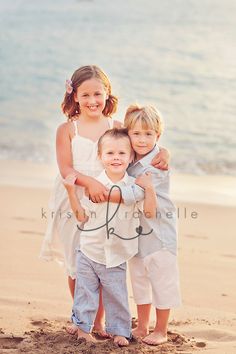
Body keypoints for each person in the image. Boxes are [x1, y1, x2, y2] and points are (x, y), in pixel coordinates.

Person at [39, 65, 169, 335]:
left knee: (103, 257)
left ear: (107, 94)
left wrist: (164, 152)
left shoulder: (117, 126)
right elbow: (66, 170)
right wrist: (91, 183)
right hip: (73, 196)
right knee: (78, 261)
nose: (92, 101)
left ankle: (99, 321)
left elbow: (143, 145)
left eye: (98, 94)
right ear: (74, 96)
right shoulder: (67, 130)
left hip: (110, 201)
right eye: (85, 95)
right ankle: (81, 318)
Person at [64, 128, 157, 346]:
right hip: (89, 249)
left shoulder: (134, 186)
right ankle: (82, 327)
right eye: (110, 153)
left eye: (122, 153)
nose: (116, 157)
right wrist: (71, 192)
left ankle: (119, 331)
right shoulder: (94, 185)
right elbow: (81, 217)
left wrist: (150, 188)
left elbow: (150, 212)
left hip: (116, 253)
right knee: (85, 292)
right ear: (100, 156)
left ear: (131, 156)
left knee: (117, 294)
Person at [122, 104, 181, 346]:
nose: (142, 139)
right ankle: (143, 324)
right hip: (137, 233)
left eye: (149, 134)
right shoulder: (130, 157)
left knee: (162, 280)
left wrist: (105, 192)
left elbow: (134, 193)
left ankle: (162, 329)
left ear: (158, 135)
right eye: (136, 134)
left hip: (159, 233)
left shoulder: (156, 164)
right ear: (128, 135)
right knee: (139, 278)